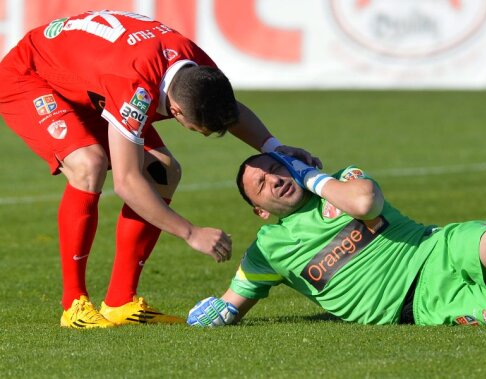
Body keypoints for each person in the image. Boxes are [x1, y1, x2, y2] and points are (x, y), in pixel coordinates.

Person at [0, 10, 319, 329]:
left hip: (91, 80)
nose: (204, 134)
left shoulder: (196, 65)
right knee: (89, 165)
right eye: (198, 129)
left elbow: (230, 111)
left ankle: (120, 302)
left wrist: (276, 149)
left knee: (164, 172)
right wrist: (190, 233)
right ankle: (73, 305)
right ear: (176, 110)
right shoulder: (136, 86)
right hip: (32, 77)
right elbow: (126, 181)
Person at [187, 152, 486, 327]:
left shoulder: (343, 180)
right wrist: (208, 316)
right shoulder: (267, 251)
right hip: (427, 305)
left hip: (435, 249)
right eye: (261, 184)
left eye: (277, 170)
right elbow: (231, 306)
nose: (274, 180)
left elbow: (365, 203)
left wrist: (311, 176)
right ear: (260, 211)